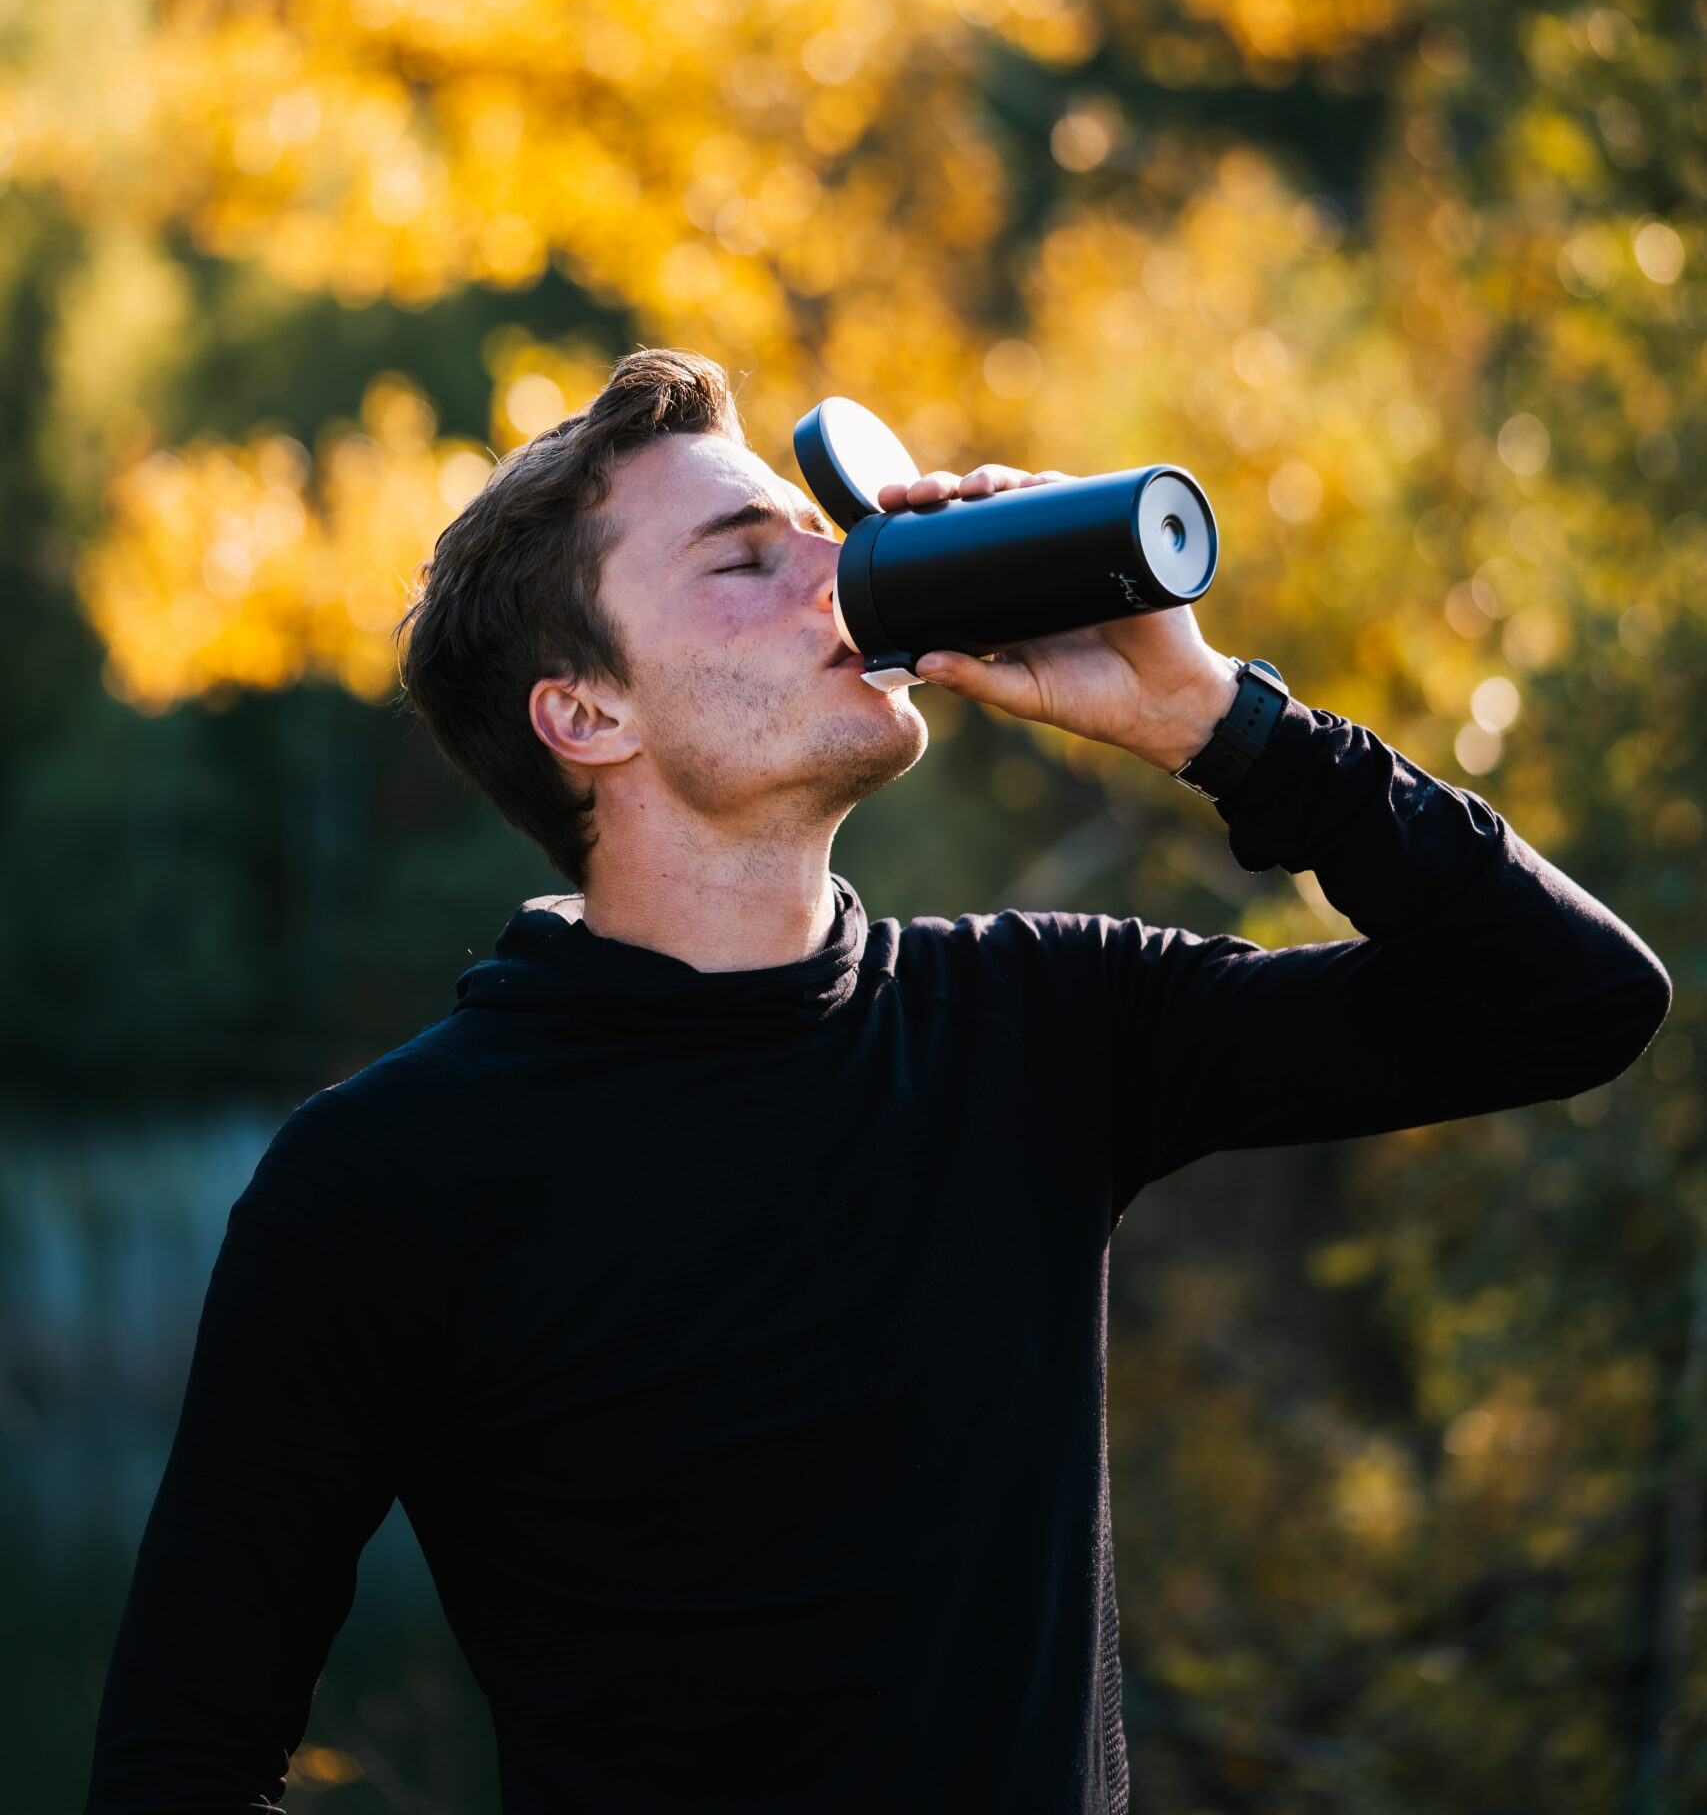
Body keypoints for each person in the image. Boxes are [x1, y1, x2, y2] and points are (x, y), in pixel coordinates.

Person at [85, 348, 1668, 1815]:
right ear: (586, 712)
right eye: (745, 561)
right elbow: (182, 1756)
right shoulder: (388, 1179)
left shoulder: (1044, 1022)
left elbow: (1573, 1003)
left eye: (820, 535)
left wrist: (1211, 719)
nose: (842, 574)